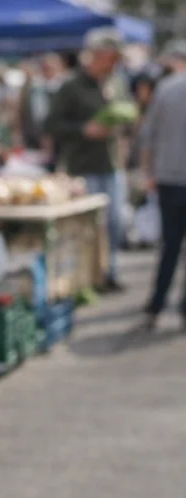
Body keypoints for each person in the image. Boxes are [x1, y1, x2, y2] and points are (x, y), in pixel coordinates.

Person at [45, 30, 127, 291]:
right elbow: (51, 124)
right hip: (83, 165)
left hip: (111, 163)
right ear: (97, 56)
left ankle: (108, 272)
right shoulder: (71, 86)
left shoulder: (115, 83)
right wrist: (83, 129)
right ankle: (87, 279)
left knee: (115, 223)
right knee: (89, 228)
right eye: (109, 57)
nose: (113, 63)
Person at [140, 41, 186, 331]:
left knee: (170, 246)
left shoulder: (166, 88)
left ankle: (156, 305)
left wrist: (149, 173)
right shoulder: (167, 88)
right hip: (171, 176)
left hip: (169, 177)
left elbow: (148, 135)